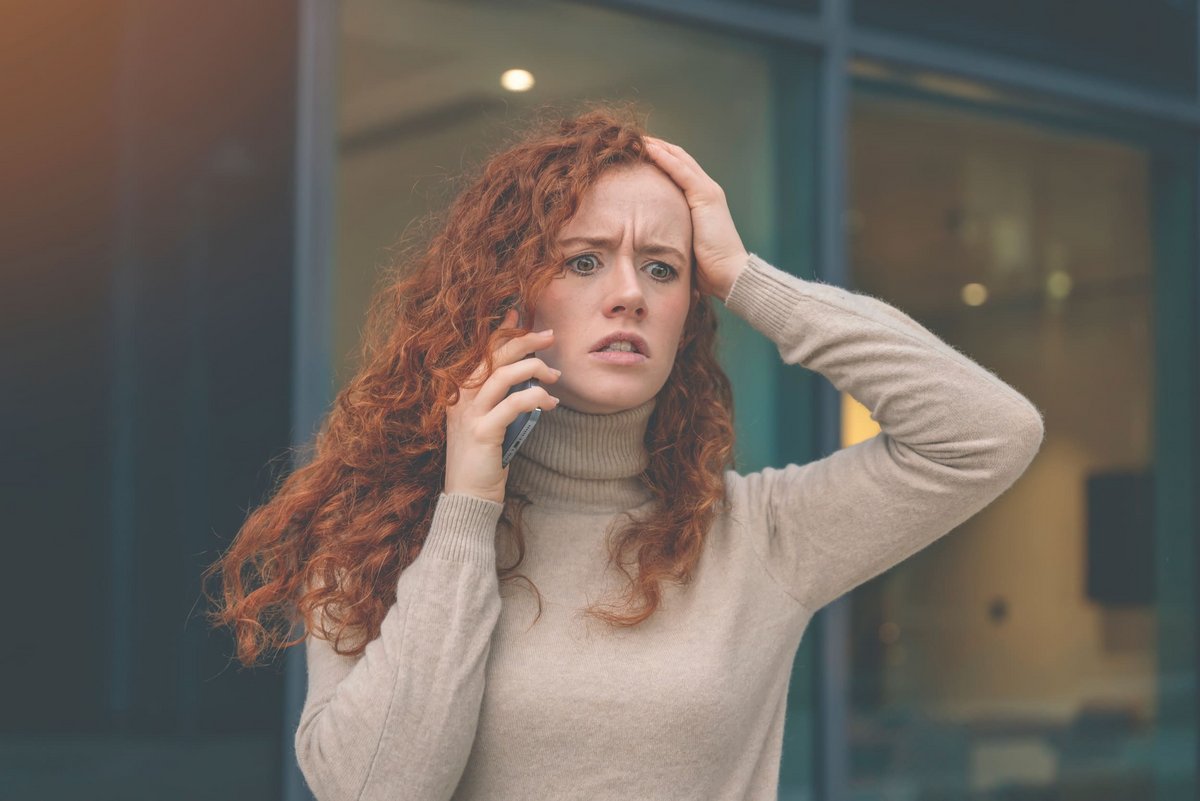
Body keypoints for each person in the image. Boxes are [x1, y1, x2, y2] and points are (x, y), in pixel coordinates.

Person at [204, 104, 1045, 801]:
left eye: (663, 269)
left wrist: (746, 275)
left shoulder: (759, 536)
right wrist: (466, 507)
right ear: (506, 292)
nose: (629, 295)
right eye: (582, 260)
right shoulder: (373, 536)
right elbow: (374, 789)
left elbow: (987, 431)